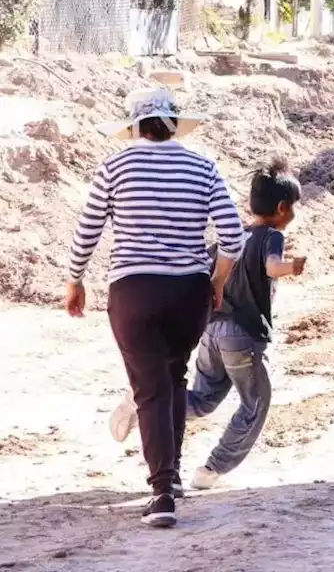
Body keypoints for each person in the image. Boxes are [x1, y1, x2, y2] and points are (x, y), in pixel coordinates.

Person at [66, 88, 244, 528]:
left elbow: (88, 229)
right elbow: (234, 237)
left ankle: (162, 492)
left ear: (135, 127)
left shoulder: (116, 165)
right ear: (173, 125)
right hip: (188, 294)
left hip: (133, 291)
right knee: (172, 378)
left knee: (149, 389)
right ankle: (173, 476)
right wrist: (216, 281)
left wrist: (75, 279)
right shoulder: (202, 166)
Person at [182, 159, 306, 490]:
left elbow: (204, 269)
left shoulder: (233, 235)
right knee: (255, 404)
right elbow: (272, 266)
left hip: (211, 331)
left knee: (202, 399)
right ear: (282, 209)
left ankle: (148, 402)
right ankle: (211, 470)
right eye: (294, 207)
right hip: (243, 337)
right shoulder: (272, 236)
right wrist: (292, 267)